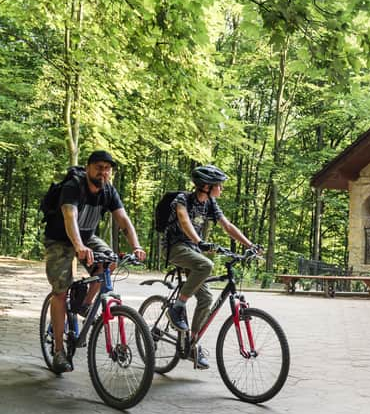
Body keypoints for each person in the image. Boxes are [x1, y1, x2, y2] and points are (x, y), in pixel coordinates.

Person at [44, 150, 147, 373]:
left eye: (107, 169)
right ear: (88, 167)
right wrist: (79, 246)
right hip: (60, 238)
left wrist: (136, 246)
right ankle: (59, 351)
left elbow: (123, 220)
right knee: (60, 291)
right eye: (99, 167)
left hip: (88, 237)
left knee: (109, 262)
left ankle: (84, 304)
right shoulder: (74, 186)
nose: (103, 172)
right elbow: (70, 217)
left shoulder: (108, 191)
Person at [163, 165, 258, 369]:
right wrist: (199, 241)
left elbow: (227, 226)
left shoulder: (210, 204)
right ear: (206, 186)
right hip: (176, 247)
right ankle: (177, 307)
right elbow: (184, 219)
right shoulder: (182, 200)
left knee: (206, 297)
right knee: (206, 264)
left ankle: (192, 344)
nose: (221, 189)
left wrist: (250, 245)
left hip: (193, 249)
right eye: (219, 185)